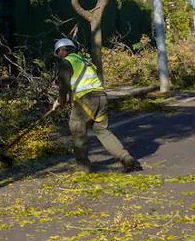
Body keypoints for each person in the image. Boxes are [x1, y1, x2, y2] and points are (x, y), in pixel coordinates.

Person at [52, 38, 143, 173]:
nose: (58, 56)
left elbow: (63, 87)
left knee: (78, 131)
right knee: (102, 131)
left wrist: (59, 102)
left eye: (58, 53)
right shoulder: (83, 60)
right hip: (101, 98)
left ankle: (83, 168)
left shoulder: (66, 63)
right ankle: (127, 159)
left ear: (61, 51)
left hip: (86, 100)